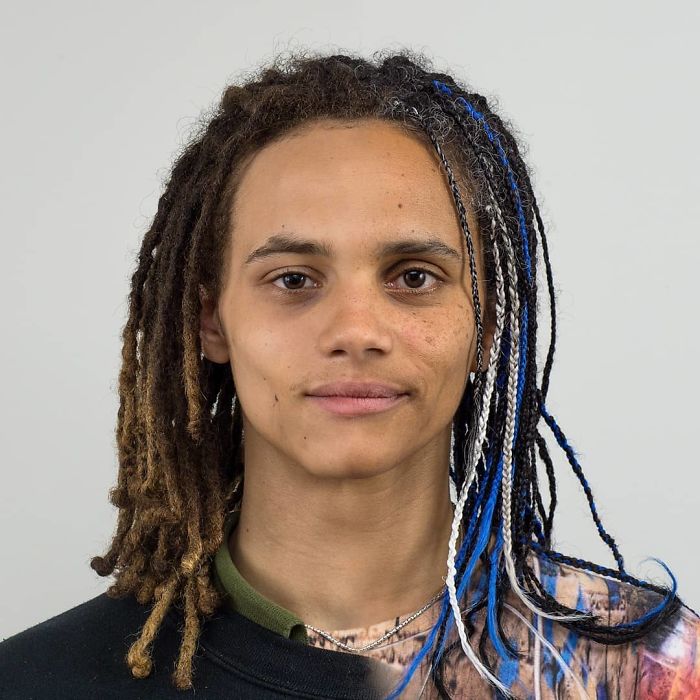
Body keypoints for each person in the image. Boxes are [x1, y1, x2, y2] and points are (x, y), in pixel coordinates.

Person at [1, 49, 698, 700]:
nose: (356, 331)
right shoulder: (36, 681)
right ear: (212, 322)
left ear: (486, 325)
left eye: (414, 277)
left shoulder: (651, 669)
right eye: (294, 279)